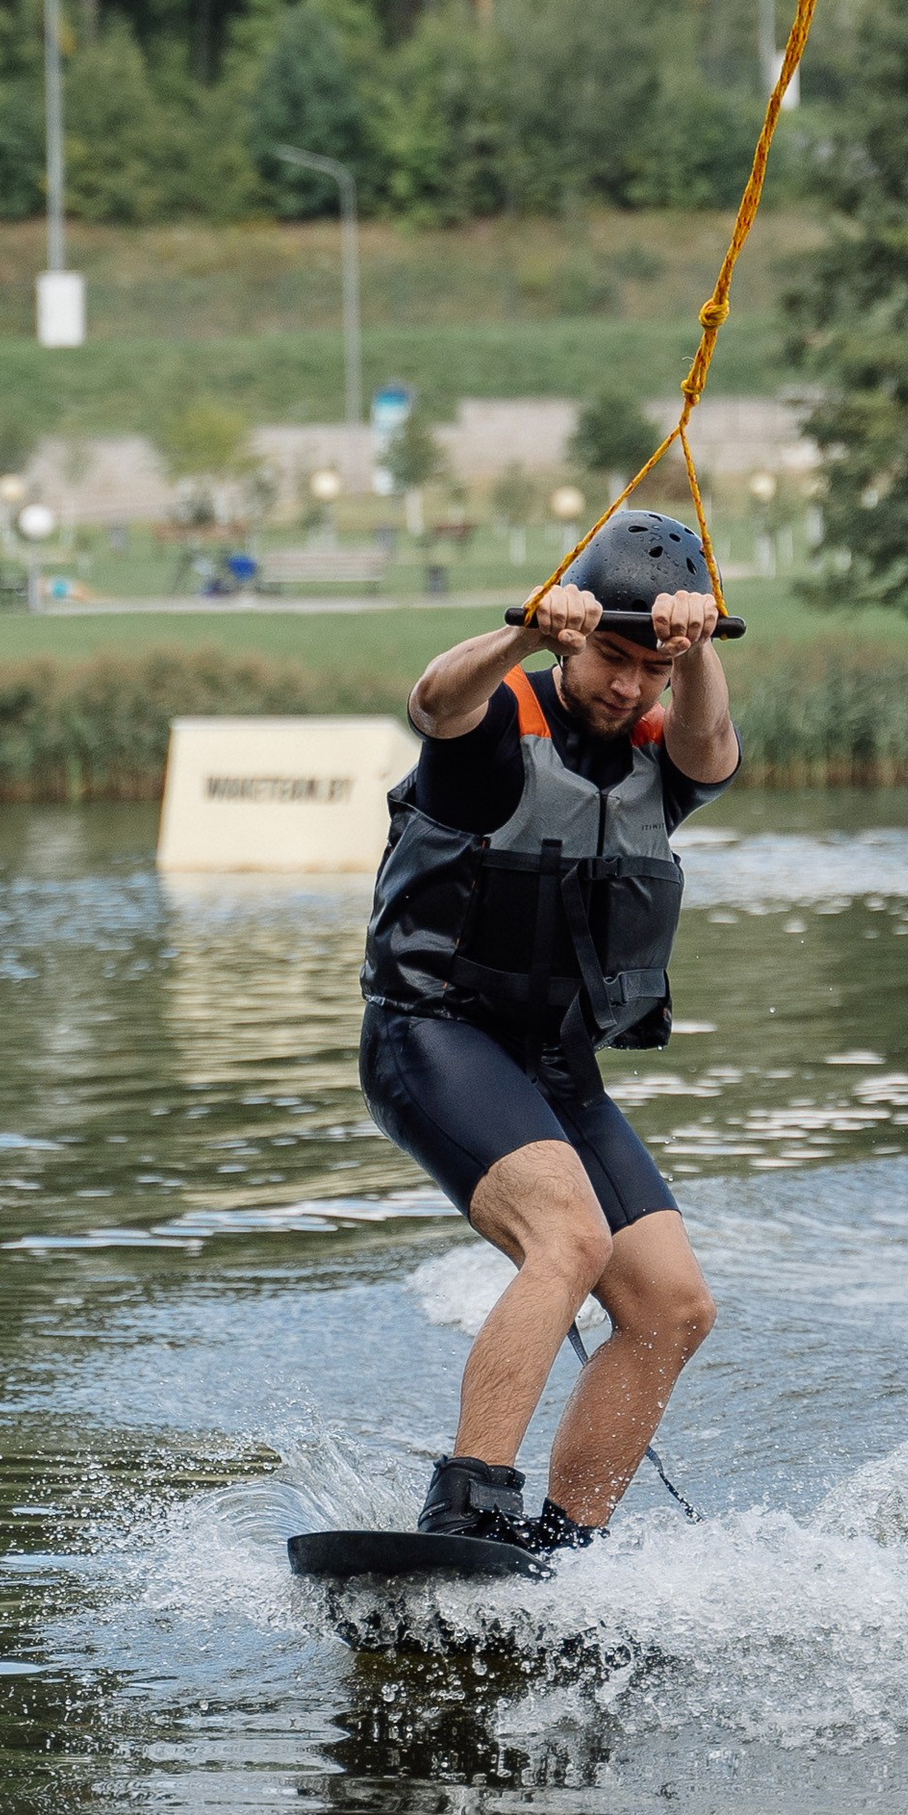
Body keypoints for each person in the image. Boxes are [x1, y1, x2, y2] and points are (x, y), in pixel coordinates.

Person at [359, 505, 738, 1552]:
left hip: (557, 1068)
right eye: (612, 658)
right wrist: (527, 629)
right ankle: (468, 1502)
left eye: (648, 670)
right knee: (567, 1236)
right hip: (433, 1037)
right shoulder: (492, 736)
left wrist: (694, 649)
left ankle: (567, 1544)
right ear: (576, 641)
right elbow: (430, 697)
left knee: (673, 1304)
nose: (629, 686)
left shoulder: (664, 744)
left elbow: (711, 747)